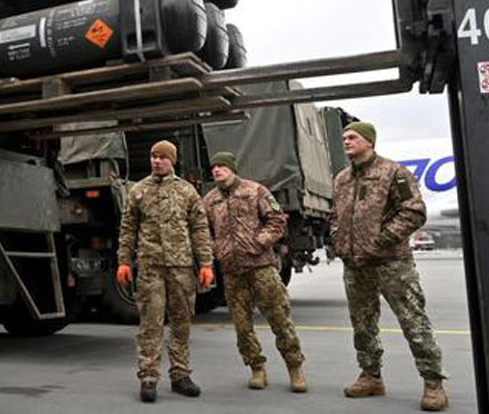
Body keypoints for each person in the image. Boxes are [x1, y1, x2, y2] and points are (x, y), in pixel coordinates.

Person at [333, 122, 448, 411]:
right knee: (362, 324)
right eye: (344, 137)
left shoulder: (393, 172)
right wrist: (337, 237)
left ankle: (433, 383)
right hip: (356, 265)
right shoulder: (342, 178)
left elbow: (414, 211)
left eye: (353, 137)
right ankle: (371, 376)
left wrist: (382, 240)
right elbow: (336, 215)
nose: (346, 141)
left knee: (413, 322)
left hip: (391, 263)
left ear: (369, 142)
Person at [116, 139, 215, 403]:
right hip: (150, 267)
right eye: (153, 156)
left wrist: (206, 264)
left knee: (181, 323)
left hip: (181, 267)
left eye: (162, 157)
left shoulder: (187, 192)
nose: (157, 161)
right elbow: (127, 230)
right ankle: (148, 377)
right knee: (151, 323)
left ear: (172, 160)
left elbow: (200, 229)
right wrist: (124, 261)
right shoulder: (138, 191)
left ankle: (180, 375)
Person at [202, 151, 307, 392]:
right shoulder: (210, 200)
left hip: (261, 268)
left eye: (222, 166)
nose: (217, 170)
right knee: (242, 326)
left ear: (232, 168)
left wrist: (259, 242)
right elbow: (202, 231)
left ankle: (295, 368)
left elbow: (277, 220)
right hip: (232, 272)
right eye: (214, 167)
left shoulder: (255, 190)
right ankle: (257, 368)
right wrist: (215, 248)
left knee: (280, 319)